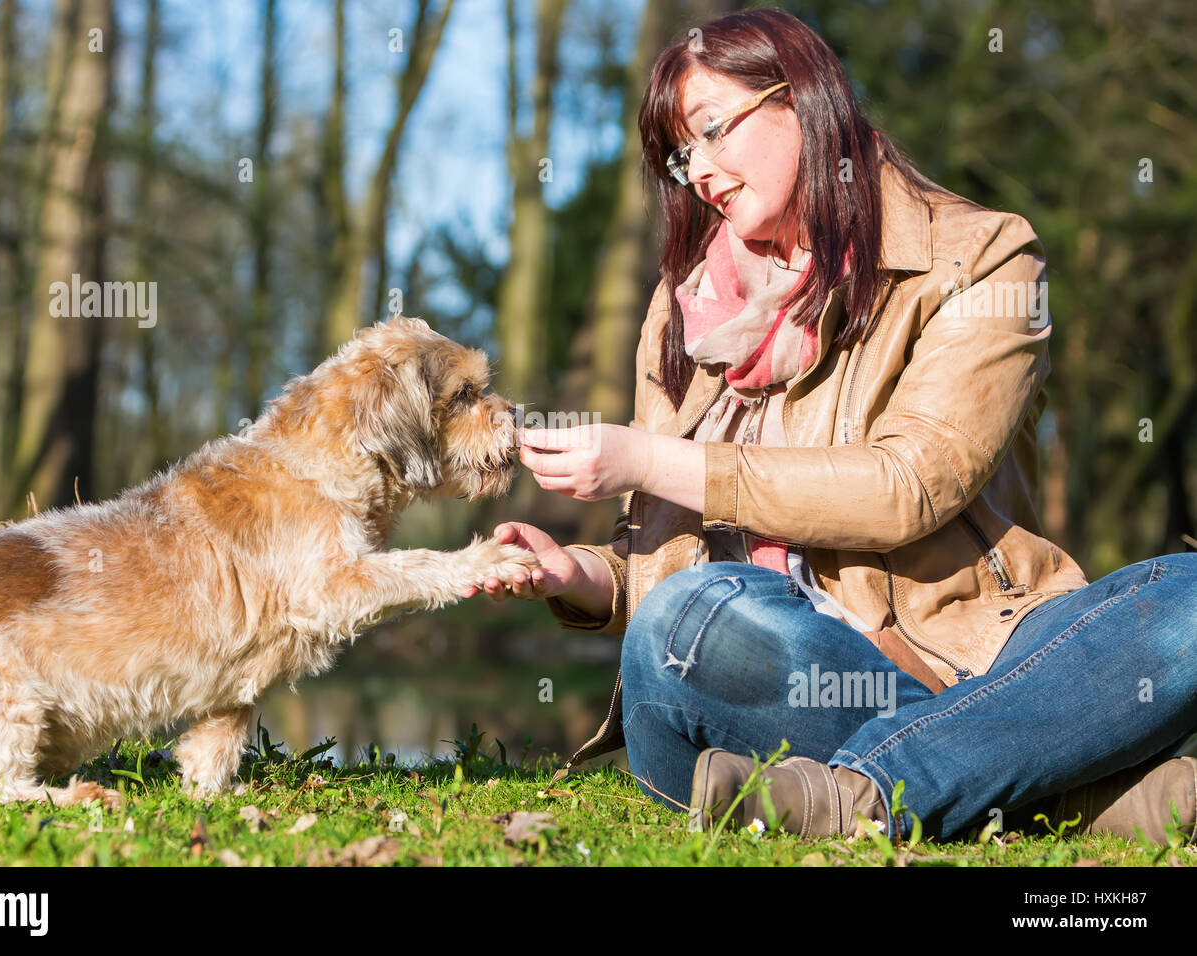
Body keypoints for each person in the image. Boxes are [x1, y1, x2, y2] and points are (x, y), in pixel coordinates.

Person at [462, 8, 1197, 843]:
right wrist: (582, 577)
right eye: (680, 154)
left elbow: (910, 486)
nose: (696, 171)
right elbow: (669, 566)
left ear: (801, 98)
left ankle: (865, 792)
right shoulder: (684, 306)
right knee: (687, 621)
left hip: (973, 660)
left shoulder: (983, 258)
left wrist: (649, 459)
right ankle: (1049, 785)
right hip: (773, 668)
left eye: (711, 132)